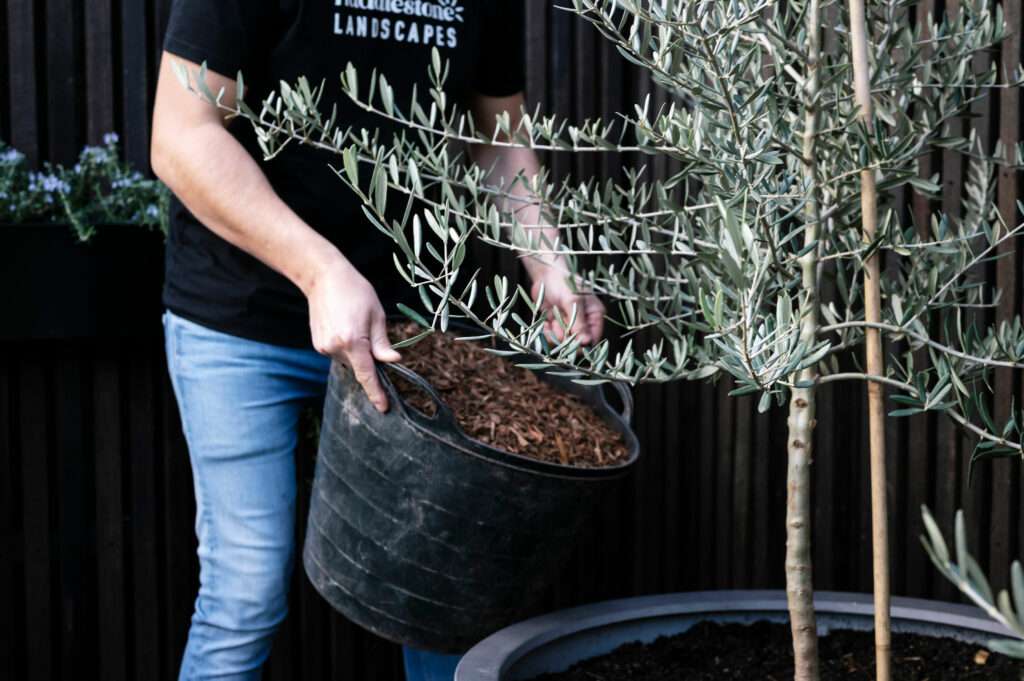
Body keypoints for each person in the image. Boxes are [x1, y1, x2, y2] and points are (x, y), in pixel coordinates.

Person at [151, 1, 605, 680]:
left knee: (443, 593)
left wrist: (550, 266)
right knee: (243, 596)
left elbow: (498, 131)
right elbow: (181, 135)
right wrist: (320, 270)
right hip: (242, 317)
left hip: (402, 331)